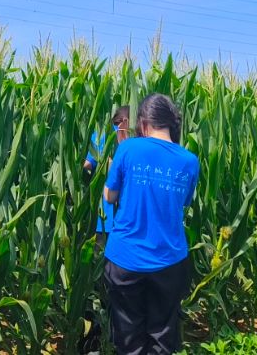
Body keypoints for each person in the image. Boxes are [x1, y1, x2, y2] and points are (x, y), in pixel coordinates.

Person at [103, 94, 199, 354]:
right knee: (162, 337)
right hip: (169, 261)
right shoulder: (189, 161)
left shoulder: (128, 148)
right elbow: (183, 202)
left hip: (125, 259)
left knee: (128, 338)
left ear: (143, 122)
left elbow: (109, 196)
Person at [83, 106, 130, 247]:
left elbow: (86, 165)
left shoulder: (100, 135)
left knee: (99, 255)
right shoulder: (133, 141)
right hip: (124, 220)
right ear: (125, 121)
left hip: (101, 215)